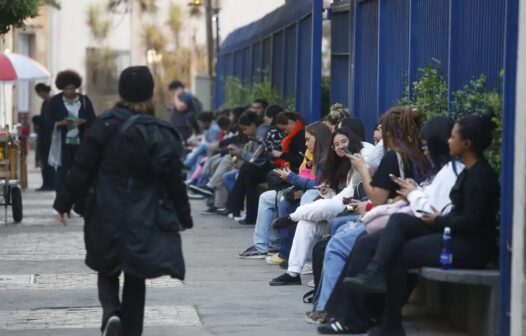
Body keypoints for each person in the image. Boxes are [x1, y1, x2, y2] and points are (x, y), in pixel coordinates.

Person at [53, 66, 193, 336]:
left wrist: (63, 203)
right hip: (145, 212)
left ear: (121, 92)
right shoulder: (161, 131)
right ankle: (131, 331)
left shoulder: (103, 124)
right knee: (135, 273)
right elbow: (174, 180)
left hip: (104, 209)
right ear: (150, 92)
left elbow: (82, 168)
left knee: (106, 267)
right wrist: (183, 216)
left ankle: (111, 312)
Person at [343, 115, 499, 336]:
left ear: (467, 144)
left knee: (397, 253)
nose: (449, 141)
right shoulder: (467, 170)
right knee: (399, 221)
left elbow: (471, 222)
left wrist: (438, 220)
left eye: (453, 137)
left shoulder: (481, 175)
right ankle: (375, 275)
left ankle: (390, 324)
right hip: (453, 233)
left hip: (470, 246)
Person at [310, 117, 462, 327]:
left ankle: (338, 311)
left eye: (382, 134)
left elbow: (386, 200)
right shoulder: (435, 166)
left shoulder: (443, 169)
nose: (379, 140)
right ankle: (357, 312)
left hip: (429, 229)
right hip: (412, 222)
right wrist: (414, 193)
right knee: (357, 239)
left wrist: (364, 171)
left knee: (344, 244)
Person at [269, 128, 363, 286]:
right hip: (335, 211)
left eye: (344, 142)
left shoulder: (359, 160)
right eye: (336, 144)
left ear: (352, 141)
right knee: (306, 223)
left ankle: (292, 217)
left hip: (350, 211)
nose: (340, 147)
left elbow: (348, 194)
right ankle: (293, 272)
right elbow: (332, 192)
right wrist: (326, 189)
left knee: (321, 205)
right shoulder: (334, 162)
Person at [237, 121, 332, 258]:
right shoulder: (310, 152)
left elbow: (318, 185)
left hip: (311, 190)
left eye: (308, 140)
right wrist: (290, 177)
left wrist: (293, 178)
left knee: (286, 200)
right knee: (267, 197)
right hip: (300, 186)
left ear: (319, 138)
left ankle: (293, 253)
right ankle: (264, 247)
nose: (306, 144)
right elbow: (304, 174)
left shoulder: (326, 157)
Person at [44, 70, 96, 193]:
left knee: (80, 173)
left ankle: (80, 204)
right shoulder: (54, 101)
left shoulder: (84, 100)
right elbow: (47, 122)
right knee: (61, 175)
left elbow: (93, 120)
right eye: (66, 89)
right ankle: (62, 206)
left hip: (81, 143)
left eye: (72, 88)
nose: (70, 92)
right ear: (62, 88)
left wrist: (84, 121)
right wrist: (60, 123)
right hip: (63, 144)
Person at [34, 83, 55, 191]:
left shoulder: (50, 102)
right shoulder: (46, 102)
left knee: (47, 161)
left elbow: (48, 120)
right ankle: (46, 183)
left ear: (42, 91)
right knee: (44, 161)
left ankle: (50, 183)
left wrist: (39, 120)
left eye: (39, 93)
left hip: (48, 136)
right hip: (45, 136)